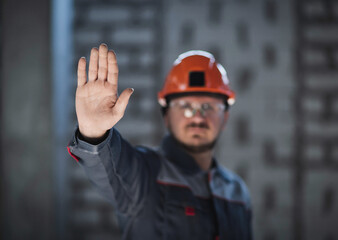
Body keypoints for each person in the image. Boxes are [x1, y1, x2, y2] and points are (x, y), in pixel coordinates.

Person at [67, 43, 252, 240]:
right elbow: (109, 168)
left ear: (225, 117)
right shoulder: (145, 173)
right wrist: (94, 133)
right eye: (185, 106)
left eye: (209, 107)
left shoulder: (237, 192)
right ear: (166, 115)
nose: (198, 118)